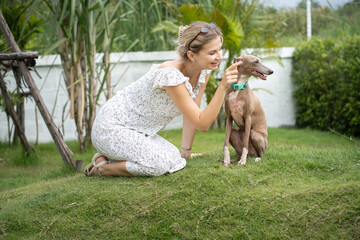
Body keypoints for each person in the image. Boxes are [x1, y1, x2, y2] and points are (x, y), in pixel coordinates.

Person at [84, 21, 242, 177]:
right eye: (212, 52)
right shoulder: (170, 75)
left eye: (219, 50)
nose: (219, 57)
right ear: (191, 55)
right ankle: (103, 168)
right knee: (159, 165)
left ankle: (111, 158)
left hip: (138, 132)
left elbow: (192, 115)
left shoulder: (202, 71)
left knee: (176, 159)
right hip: (111, 127)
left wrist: (186, 152)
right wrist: (222, 87)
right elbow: (203, 123)